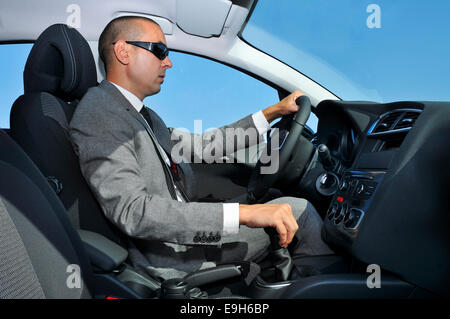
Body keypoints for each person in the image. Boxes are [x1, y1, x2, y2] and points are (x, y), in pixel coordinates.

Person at [70, 16, 333, 280]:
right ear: (123, 51)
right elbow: (134, 211)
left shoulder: (141, 116)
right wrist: (244, 214)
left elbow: (206, 146)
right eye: (159, 51)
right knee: (301, 212)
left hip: (187, 241)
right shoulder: (100, 112)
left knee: (279, 202)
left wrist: (272, 112)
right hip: (176, 256)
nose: (168, 62)